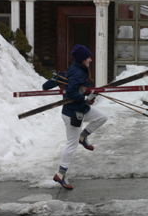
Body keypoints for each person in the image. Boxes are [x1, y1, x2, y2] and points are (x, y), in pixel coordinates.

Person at [43, 44, 108, 190]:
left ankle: (83, 137)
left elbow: (78, 91)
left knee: (101, 117)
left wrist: (89, 95)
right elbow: (72, 93)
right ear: (82, 59)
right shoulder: (78, 73)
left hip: (81, 109)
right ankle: (60, 174)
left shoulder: (77, 70)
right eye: (88, 57)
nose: (90, 60)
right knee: (71, 145)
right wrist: (87, 98)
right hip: (73, 114)